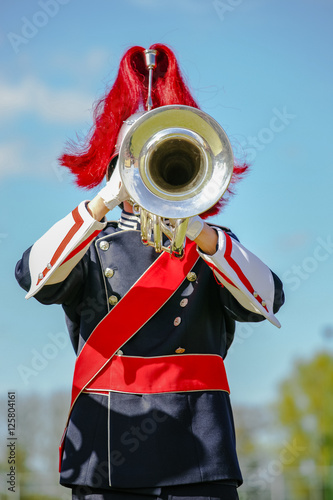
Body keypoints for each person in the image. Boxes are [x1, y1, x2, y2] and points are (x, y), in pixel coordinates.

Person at [15, 44, 284, 500]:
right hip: (108, 446)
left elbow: (268, 300)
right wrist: (103, 201)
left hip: (200, 446)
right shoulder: (93, 245)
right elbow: (32, 274)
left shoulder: (214, 246)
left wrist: (203, 233)